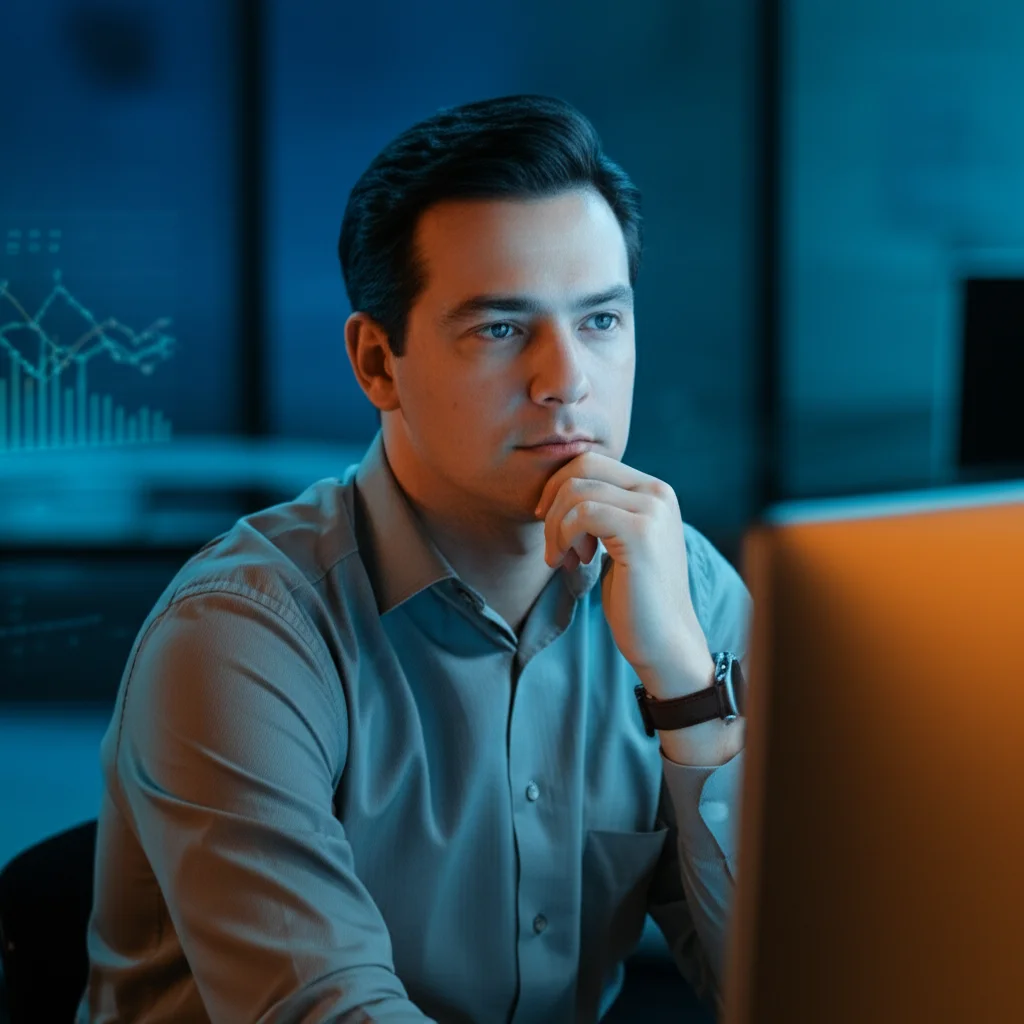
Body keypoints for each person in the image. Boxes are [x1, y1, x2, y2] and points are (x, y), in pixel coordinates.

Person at [78, 93, 753, 1023]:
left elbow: (795, 981)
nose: (567, 382)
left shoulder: (692, 593)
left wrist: (687, 692)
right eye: (501, 329)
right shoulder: (241, 634)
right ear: (376, 363)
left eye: (600, 321)